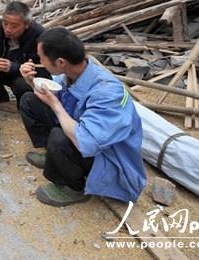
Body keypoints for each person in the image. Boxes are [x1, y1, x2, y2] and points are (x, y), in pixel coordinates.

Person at [18, 28, 146, 207]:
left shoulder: (108, 93)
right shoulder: (73, 74)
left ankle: (74, 187)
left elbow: (87, 141)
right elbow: (63, 101)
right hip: (84, 136)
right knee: (30, 100)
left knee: (59, 136)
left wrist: (55, 105)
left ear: (61, 62)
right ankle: (53, 158)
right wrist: (31, 82)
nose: (39, 62)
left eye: (41, 58)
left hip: (109, 160)